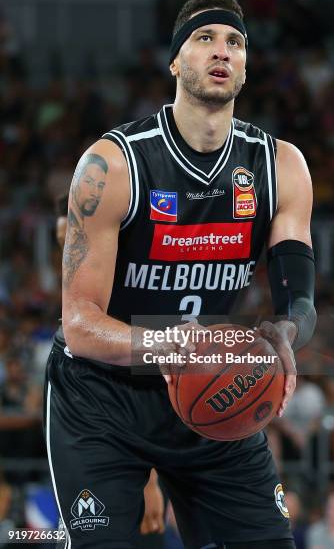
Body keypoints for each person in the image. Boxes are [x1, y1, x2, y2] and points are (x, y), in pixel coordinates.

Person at [44, 0, 316, 548]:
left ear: (245, 66)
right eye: (205, 37)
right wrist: (171, 347)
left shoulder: (281, 165)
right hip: (104, 399)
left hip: (211, 392)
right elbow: (79, 324)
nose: (222, 50)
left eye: (235, 42)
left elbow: (298, 296)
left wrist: (287, 334)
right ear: (174, 60)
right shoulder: (113, 163)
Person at [54, 194, 166, 539]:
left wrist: (149, 483)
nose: (65, 241)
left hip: (126, 426)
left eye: (70, 233)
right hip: (79, 413)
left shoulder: (115, 278)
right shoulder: (72, 278)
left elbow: (137, 382)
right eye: (61, 237)